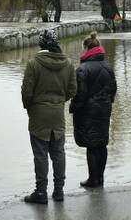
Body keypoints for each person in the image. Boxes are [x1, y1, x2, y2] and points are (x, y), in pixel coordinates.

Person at [20, 29, 76, 204]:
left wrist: (30, 107)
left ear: (41, 44)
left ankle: (41, 192)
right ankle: (59, 191)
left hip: (38, 115)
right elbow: (73, 90)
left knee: (40, 155)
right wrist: (59, 101)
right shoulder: (68, 64)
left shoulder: (33, 64)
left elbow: (26, 92)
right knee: (58, 153)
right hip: (58, 114)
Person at [70, 32, 117, 188]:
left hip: (88, 112)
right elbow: (113, 88)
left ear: (86, 49)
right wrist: (108, 102)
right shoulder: (108, 66)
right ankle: (101, 178)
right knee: (102, 144)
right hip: (104, 110)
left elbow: (80, 94)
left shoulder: (82, 69)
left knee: (91, 145)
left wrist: (73, 107)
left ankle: (93, 179)